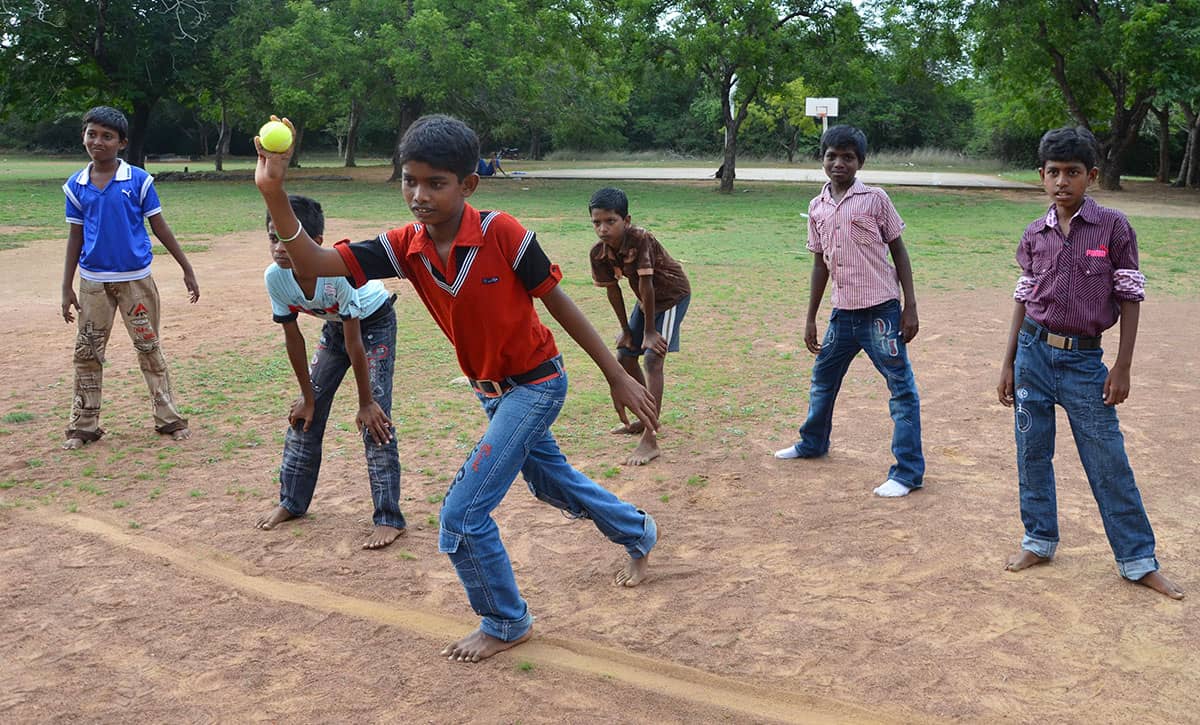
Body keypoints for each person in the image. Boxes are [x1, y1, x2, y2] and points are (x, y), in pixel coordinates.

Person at [253, 114, 659, 662]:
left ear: (468, 184)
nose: (419, 195)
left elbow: (556, 300)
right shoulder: (405, 246)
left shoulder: (502, 233)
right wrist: (271, 190)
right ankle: (638, 531)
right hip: (490, 391)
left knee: (463, 515)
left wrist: (618, 374)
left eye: (436, 183)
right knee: (549, 481)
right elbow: (316, 260)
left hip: (537, 384)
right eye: (409, 180)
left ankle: (506, 621)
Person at [996, 126, 1183, 599]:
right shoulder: (1034, 233)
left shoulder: (1113, 227)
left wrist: (1123, 367)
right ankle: (1038, 540)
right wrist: (1008, 361)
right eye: (1053, 172)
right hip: (1032, 358)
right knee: (1032, 453)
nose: (1062, 181)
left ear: (1091, 176)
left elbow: (1129, 294)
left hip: (1084, 364)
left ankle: (1137, 559)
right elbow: (1024, 295)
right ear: (1041, 176)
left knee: (1107, 460)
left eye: (1073, 173)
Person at [774, 124, 924, 498]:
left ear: (860, 162)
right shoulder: (816, 207)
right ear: (822, 158)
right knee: (822, 380)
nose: (839, 163)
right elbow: (819, 265)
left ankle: (907, 472)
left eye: (848, 157)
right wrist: (810, 317)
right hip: (842, 315)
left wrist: (910, 307)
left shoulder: (874, 199)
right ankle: (812, 442)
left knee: (901, 390)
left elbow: (899, 252)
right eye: (832, 156)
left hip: (881, 314)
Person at [255, 194, 407, 550]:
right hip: (334, 329)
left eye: (287, 240)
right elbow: (293, 338)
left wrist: (366, 402)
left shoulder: (335, 274)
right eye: (272, 237)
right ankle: (291, 502)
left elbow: (356, 343)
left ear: (316, 244)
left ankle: (389, 518)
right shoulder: (275, 277)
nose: (278, 247)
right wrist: (308, 397)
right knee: (304, 417)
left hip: (373, 324)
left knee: (376, 422)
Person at [60, 106, 199, 450]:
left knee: (149, 349)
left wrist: (186, 267)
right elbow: (75, 237)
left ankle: (169, 419)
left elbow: (159, 226)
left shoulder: (138, 180)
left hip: (136, 281)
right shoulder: (75, 186)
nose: (98, 141)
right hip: (93, 283)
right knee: (87, 352)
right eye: (92, 134)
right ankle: (84, 425)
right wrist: (66, 285)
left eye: (107, 136)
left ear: (122, 143)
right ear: (83, 137)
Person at [588, 187, 691, 465]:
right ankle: (644, 415)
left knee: (653, 358)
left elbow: (647, 284)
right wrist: (626, 330)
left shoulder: (640, 239)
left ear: (627, 220)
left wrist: (648, 332)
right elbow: (613, 291)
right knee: (624, 355)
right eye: (597, 222)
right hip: (645, 302)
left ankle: (650, 437)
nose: (603, 229)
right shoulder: (599, 253)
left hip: (670, 297)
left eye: (611, 221)